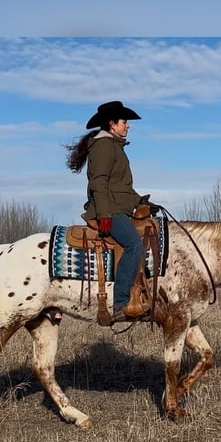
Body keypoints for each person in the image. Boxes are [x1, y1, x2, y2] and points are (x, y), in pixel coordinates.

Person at [65, 101, 147, 322]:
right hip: (108, 211)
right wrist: (104, 216)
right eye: (124, 122)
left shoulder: (114, 146)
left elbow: (120, 188)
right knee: (134, 244)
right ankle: (121, 303)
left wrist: (141, 200)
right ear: (112, 124)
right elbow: (98, 183)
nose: (127, 126)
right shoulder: (103, 146)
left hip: (116, 207)